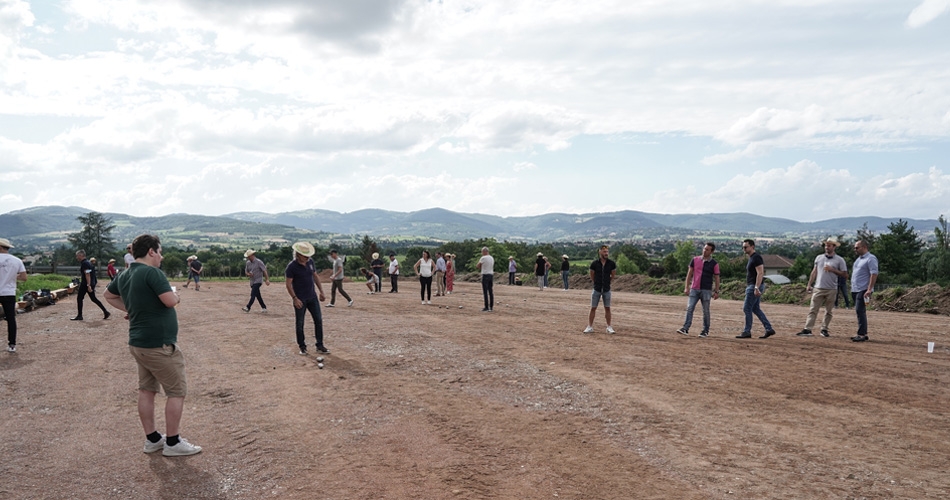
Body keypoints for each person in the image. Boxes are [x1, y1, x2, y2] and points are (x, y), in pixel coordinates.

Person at [103, 234, 202, 457]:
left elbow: (108, 295)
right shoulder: (152, 272)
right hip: (159, 344)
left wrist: (131, 309)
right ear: (151, 252)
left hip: (139, 343)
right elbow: (169, 301)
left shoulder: (125, 273)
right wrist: (176, 296)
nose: (162, 256)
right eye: (160, 251)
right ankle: (173, 442)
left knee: (147, 390)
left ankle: (153, 439)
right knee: (176, 391)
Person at [796, 237, 848, 338]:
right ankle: (808, 329)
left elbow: (845, 275)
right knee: (813, 309)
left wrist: (833, 270)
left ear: (834, 247)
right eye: (825, 245)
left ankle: (824, 329)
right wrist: (809, 284)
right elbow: (814, 271)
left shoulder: (840, 260)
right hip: (818, 287)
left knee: (828, 311)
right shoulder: (819, 258)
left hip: (832, 288)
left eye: (829, 245)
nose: (826, 247)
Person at [285, 242, 329, 355]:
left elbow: (315, 276)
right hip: (300, 299)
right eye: (305, 255)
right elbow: (288, 284)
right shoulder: (291, 267)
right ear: (298, 255)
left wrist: (321, 291)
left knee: (318, 321)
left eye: (308, 255)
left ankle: (320, 345)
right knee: (300, 323)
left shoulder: (310, 262)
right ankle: (302, 346)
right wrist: (295, 298)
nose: (308, 257)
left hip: (312, 297)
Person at [677, 242, 721, 337]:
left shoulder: (714, 264)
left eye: (707, 249)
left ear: (712, 251)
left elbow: (717, 278)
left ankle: (705, 330)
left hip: (706, 290)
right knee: (690, 308)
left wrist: (717, 291)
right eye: (704, 249)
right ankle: (685, 328)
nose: (704, 251)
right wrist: (686, 287)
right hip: (694, 288)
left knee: (706, 311)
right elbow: (689, 274)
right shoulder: (695, 260)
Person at [737, 239, 776, 339]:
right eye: (743, 247)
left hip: (753, 286)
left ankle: (747, 331)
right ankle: (768, 329)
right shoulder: (752, 258)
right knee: (755, 308)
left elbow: (760, 273)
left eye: (746, 247)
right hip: (754, 286)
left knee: (747, 308)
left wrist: (756, 287)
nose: (744, 249)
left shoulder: (756, 258)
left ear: (752, 246)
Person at [0, 237, 28, 353]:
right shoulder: (17, 260)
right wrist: (12, 277)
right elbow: (24, 277)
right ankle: (12, 344)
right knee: (11, 318)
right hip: (9, 292)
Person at [850, 240, 879, 342]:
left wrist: (869, 289)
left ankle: (861, 334)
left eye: (857, 247)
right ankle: (863, 332)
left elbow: (874, 273)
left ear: (864, 247)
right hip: (855, 289)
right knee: (860, 311)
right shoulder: (858, 260)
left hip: (863, 289)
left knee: (859, 310)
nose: (855, 249)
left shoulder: (871, 259)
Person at [584, 245, 617, 334]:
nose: (606, 253)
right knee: (593, 308)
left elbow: (613, 275)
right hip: (597, 289)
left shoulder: (611, 263)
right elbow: (592, 275)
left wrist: (607, 282)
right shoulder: (594, 263)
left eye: (607, 252)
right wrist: (596, 282)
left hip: (606, 289)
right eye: (604, 252)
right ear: (600, 252)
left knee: (607, 308)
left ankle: (609, 327)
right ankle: (589, 326)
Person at [71, 250, 110, 321]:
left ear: (81, 255)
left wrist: (88, 285)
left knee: (80, 298)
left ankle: (80, 315)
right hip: (90, 283)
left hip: (86, 284)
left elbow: (87, 274)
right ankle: (105, 311)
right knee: (93, 298)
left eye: (77, 256)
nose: (76, 257)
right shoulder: (88, 262)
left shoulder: (85, 264)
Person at [477, 247, 495, 312]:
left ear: (484, 252)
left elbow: (478, 266)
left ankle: (486, 306)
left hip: (485, 275)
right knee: (490, 291)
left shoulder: (483, 258)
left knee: (485, 291)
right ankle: (491, 306)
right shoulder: (492, 258)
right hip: (491, 274)